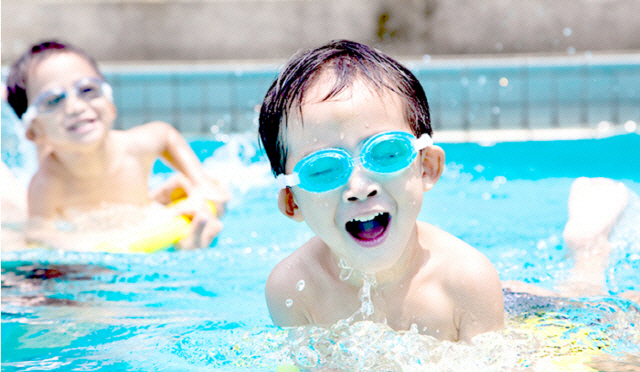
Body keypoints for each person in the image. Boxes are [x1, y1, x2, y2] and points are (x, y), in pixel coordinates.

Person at [258, 40, 504, 342]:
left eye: (386, 153)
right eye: (322, 170)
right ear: (292, 202)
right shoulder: (294, 290)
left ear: (426, 166)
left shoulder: (467, 281)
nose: (359, 189)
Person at [5, 41, 229, 251]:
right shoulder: (48, 182)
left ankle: (157, 198)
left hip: (134, 214)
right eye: (53, 100)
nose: (75, 106)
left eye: (88, 90)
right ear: (34, 131)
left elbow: (166, 134)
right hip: (99, 230)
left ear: (110, 104)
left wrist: (201, 182)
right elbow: (37, 233)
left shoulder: (134, 147)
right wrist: (87, 244)